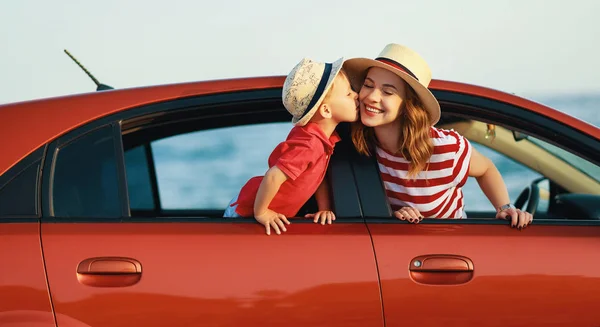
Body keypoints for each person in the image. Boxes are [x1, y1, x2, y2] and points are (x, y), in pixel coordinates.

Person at [344, 43, 533, 229]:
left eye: (387, 92)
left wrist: (505, 207)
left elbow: (486, 169)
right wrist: (392, 216)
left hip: (451, 249)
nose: (371, 97)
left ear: (408, 106)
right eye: (368, 85)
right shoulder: (358, 145)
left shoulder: (445, 149)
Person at [224, 57, 359, 235]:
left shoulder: (323, 140)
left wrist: (323, 209)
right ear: (326, 110)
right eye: (348, 93)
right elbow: (273, 176)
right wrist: (262, 212)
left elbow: (318, 176)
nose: (356, 95)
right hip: (245, 214)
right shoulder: (309, 144)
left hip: (250, 209)